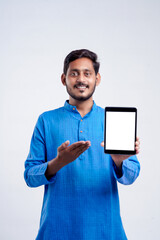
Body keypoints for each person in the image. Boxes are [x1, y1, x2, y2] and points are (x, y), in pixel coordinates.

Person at [24, 49, 140, 240]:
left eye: (87, 73)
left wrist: (119, 162)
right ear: (64, 79)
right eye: (74, 73)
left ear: (97, 79)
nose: (81, 79)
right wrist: (58, 163)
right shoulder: (46, 120)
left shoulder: (112, 120)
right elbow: (30, 177)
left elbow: (130, 176)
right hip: (57, 231)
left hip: (106, 230)